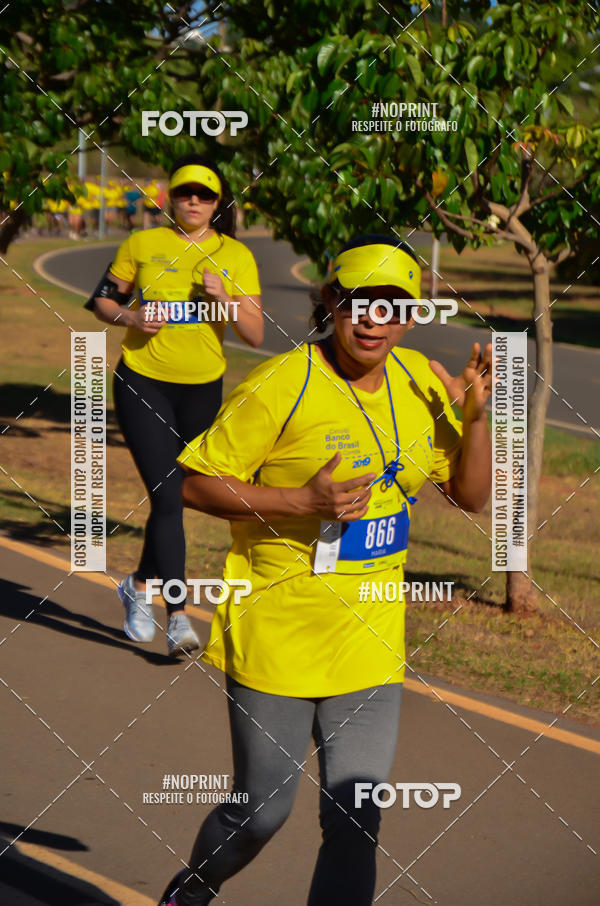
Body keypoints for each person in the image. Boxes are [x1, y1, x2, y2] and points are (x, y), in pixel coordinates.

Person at [157, 234, 492, 905]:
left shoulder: (425, 382)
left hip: (368, 639)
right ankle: (191, 889)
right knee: (261, 813)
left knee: (355, 819)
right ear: (331, 301)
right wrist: (300, 502)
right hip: (277, 629)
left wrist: (478, 417)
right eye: (357, 302)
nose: (372, 320)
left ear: (411, 316)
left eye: (391, 307)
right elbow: (191, 484)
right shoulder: (283, 382)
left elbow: (471, 495)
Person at [86, 155, 263, 656]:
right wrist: (130, 317)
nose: (193, 202)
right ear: (171, 198)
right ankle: (179, 617)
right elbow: (100, 300)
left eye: (204, 196)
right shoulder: (142, 244)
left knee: (175, 495)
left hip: (203, 388)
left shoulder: (236, 257)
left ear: (217, 204)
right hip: (143, 382)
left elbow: (255, 333)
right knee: (167, 496)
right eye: (185, 193)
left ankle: (138, 584)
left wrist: (225, 297)